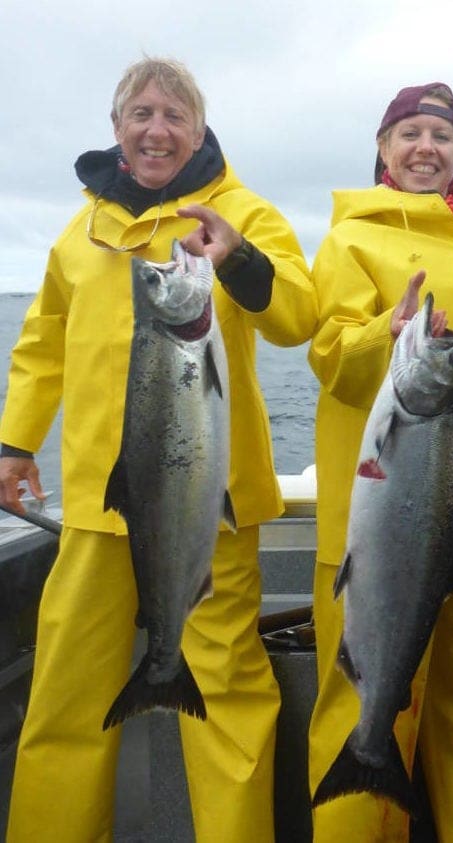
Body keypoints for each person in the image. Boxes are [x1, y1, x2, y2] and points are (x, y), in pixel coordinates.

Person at [0, 57, 317, 842]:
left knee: (228, 699)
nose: (156, 129)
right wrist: (13, 444)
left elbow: (298, 318)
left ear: (199, 130)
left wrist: (238, 256)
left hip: (209, 504)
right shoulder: (82, 231)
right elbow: (39, 344)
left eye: (174, 116)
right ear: (116, 130)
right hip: (97, 511)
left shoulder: (244, 211)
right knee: (67, 695)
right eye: (140, 114)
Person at [306, 83, 453, 842]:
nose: (424, 147)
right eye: (407, 132)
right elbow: (331, 358)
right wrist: (386, 329)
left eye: (440, 134)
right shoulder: (348, 240)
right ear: (381, 148)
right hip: (383, 538)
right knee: (365, 706)